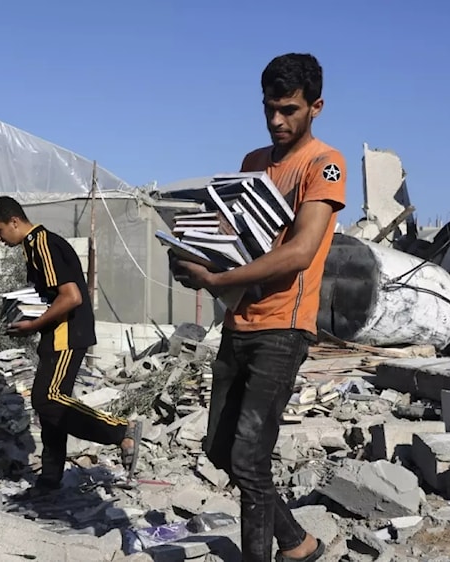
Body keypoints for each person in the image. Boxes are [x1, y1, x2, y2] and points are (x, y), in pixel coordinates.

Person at [171, 53, 345, 562]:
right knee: (222, 450)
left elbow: (300, 251)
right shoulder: (252, 164)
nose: (276, 120)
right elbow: (234, 234)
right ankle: (297, 543)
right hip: (239, 323)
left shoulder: (323, 164)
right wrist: (193, 252)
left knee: (249, 457)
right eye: (269, 108)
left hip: (283, 329)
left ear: (316, 107)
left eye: (289, 110)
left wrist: (219, 278)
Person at [0, 196, 142, 495]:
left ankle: (121, 430)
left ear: (14, 221)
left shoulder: (43, 244)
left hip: (66, 333)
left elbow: (71, 297)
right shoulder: (32, 247)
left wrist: (34, 324)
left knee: (48, 399)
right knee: (48, 409)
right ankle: (49, 479)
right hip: (54, 334)